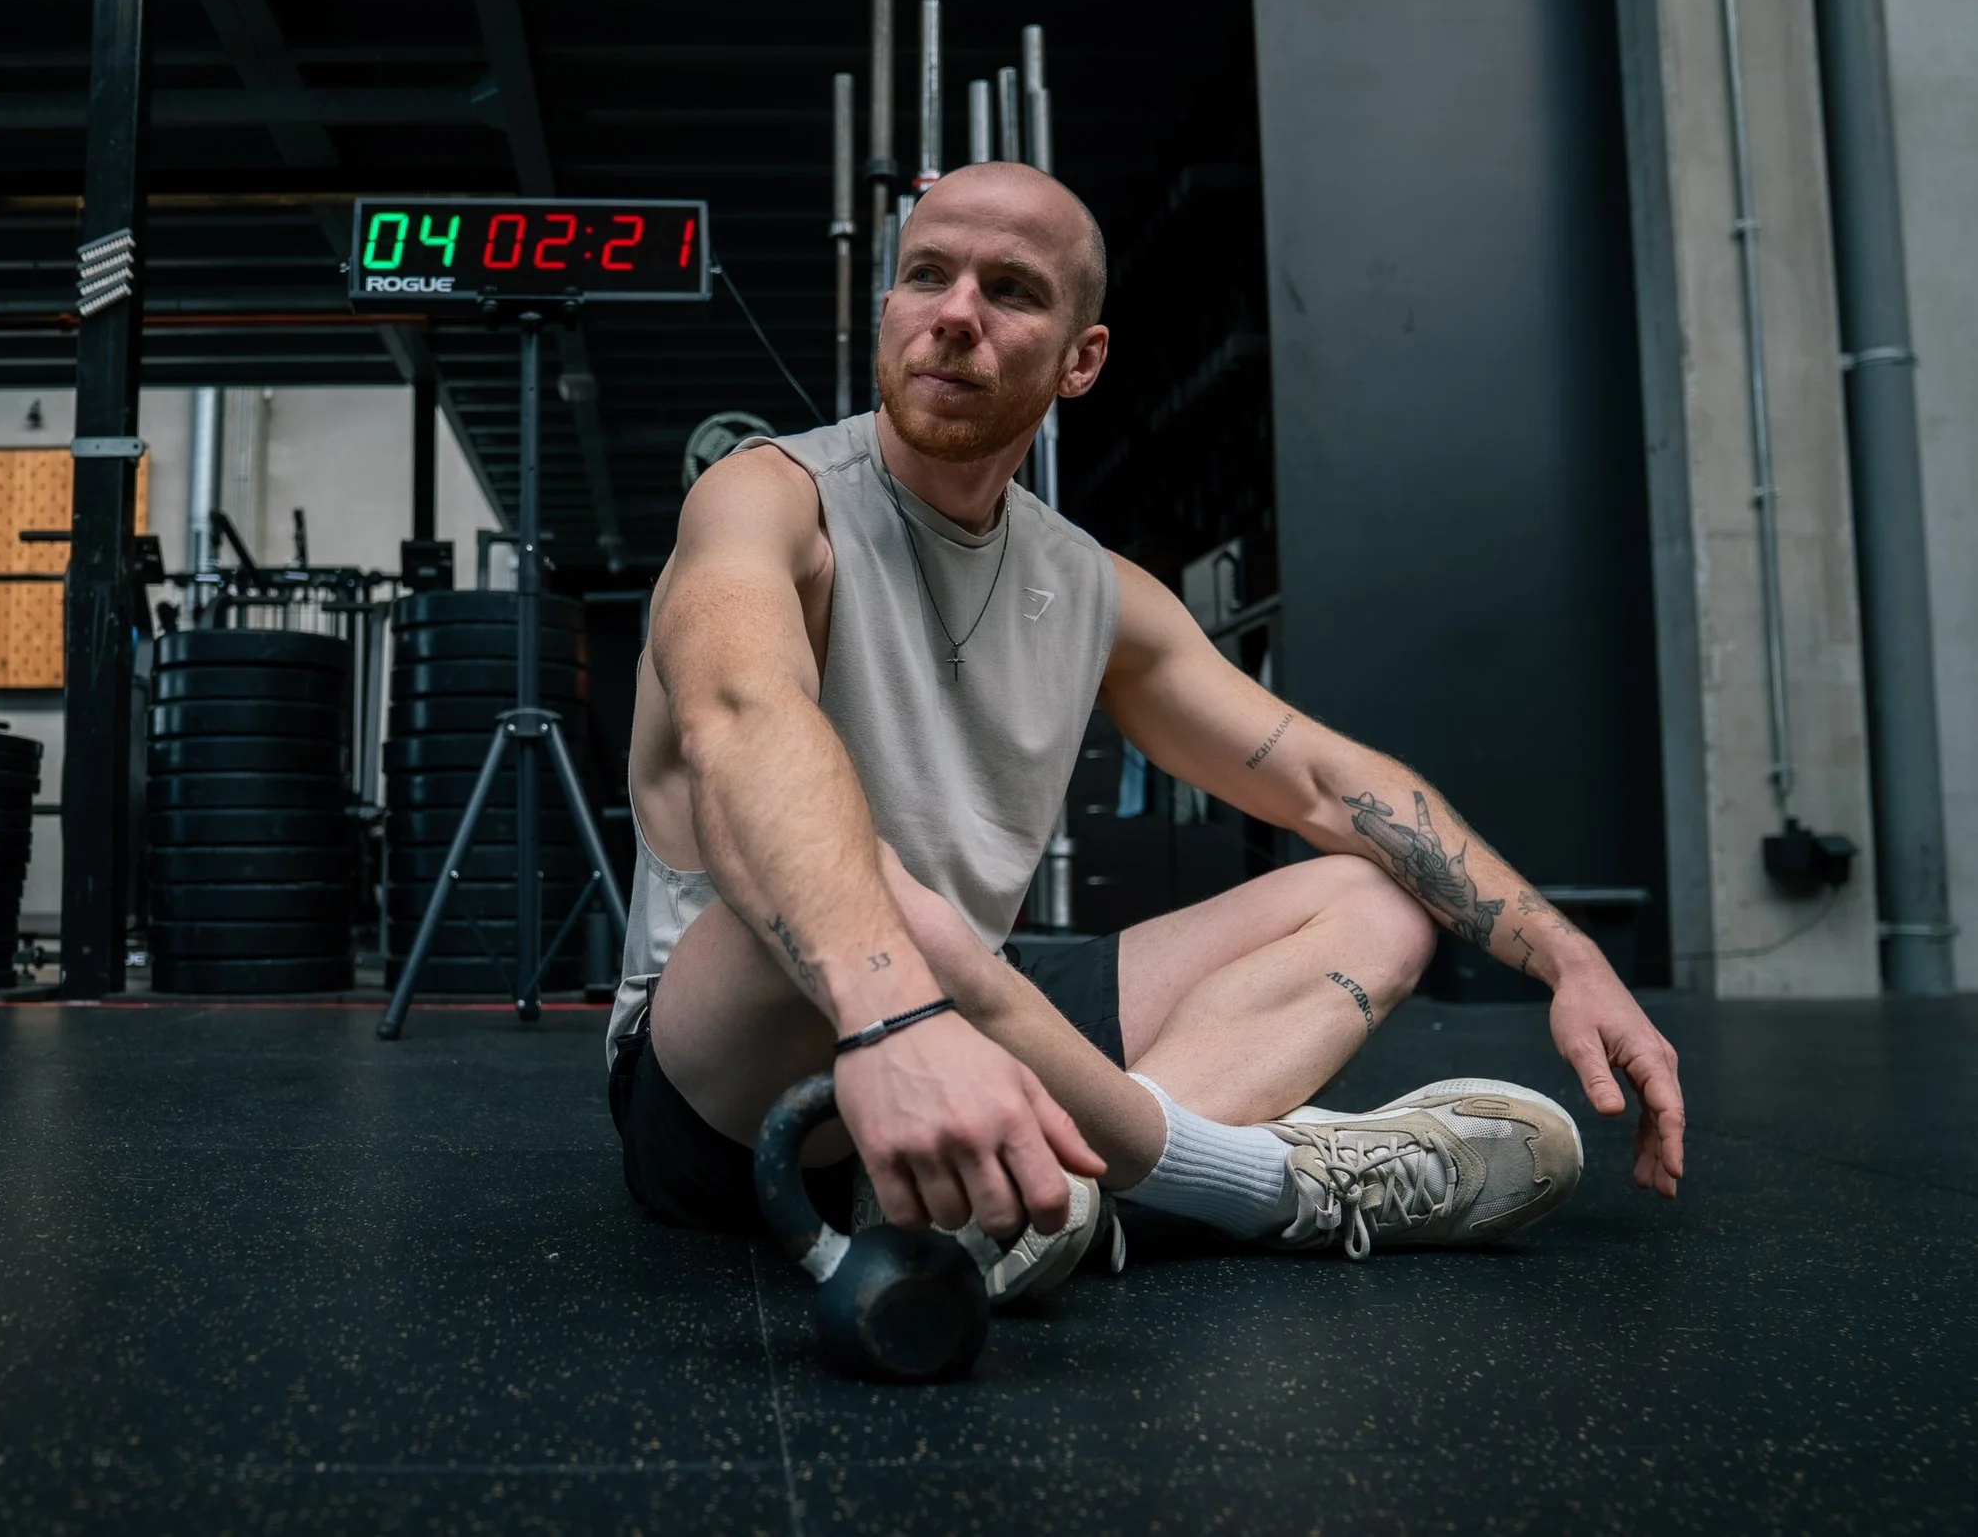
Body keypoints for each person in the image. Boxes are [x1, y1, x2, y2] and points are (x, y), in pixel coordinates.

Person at [606, 161, 1685, 1294]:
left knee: (1370, 895)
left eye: (1011, 290)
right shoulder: (767, 499)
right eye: (926, 275)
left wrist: (1566, 954)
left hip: (970, 1006)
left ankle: (1054, 1204)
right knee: (854, 867)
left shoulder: (1091, 589)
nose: (955, 313)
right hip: (735, 1071)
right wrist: (890, 1020)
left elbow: (1322, 778)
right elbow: (741, 721)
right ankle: (1258, 1183)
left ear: (1083, 359)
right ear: (888, 311)